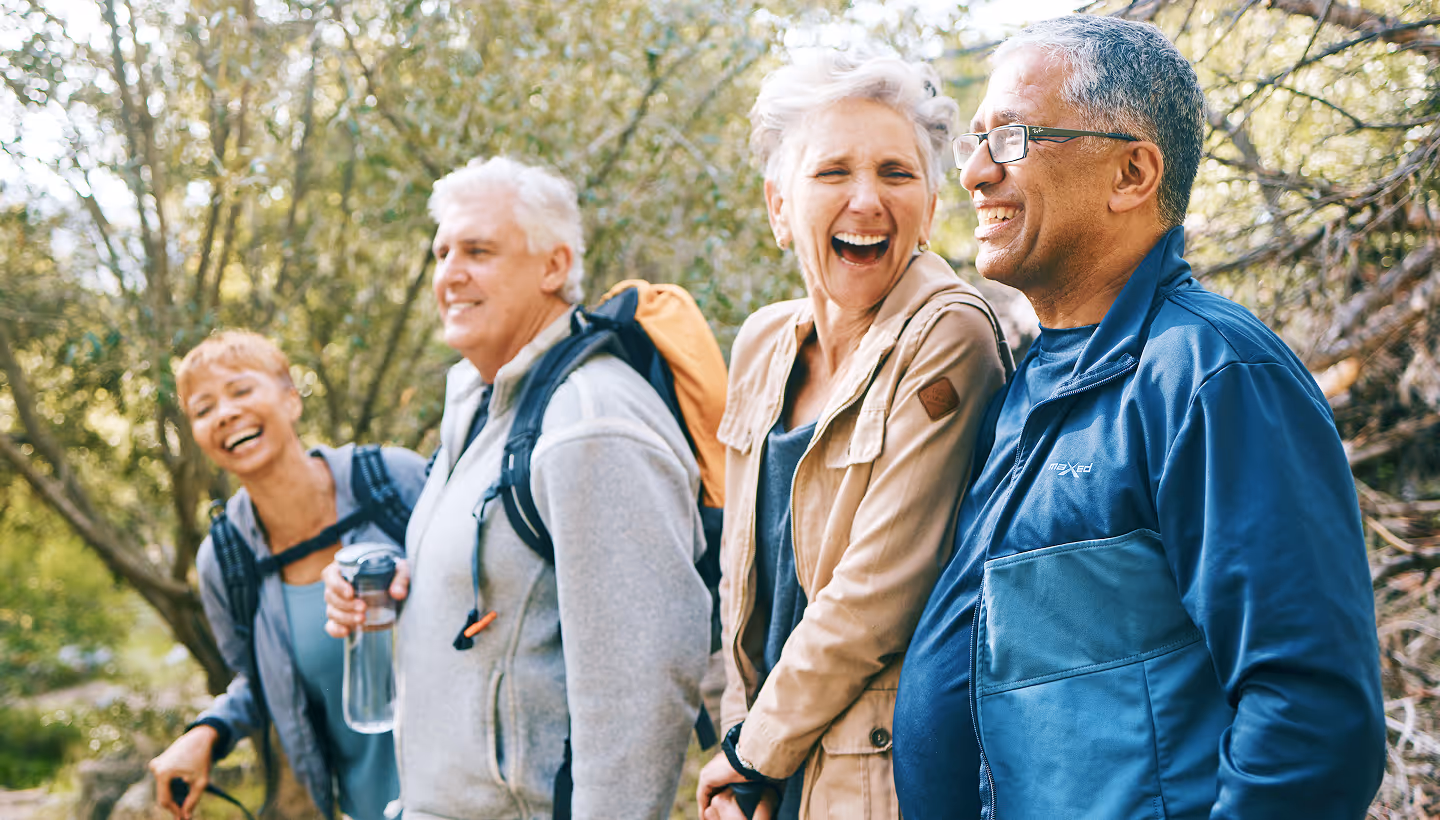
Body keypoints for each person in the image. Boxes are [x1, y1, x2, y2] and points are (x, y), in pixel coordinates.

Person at [893, 15, 1387, 819]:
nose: (976, 173)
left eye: (1012, 137)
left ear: (1132, 174)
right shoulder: (1034, 380)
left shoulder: (1212, 376)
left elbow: (1314, 719)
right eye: (975, 140)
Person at [324, 156, 712, 820]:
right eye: (442, 252)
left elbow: (642, 687)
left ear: (554, 266)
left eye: (478, 250)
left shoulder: (590, 422)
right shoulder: (484, 408)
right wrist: (403, 585)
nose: (449, 274)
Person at [694, 48, 1010, 820]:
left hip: (881, 781)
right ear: (778, 206)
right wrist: (747, 766)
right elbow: (743, 590)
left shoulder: (950, 335)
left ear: (932, 207)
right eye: (833, 172)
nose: (867, 200)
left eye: (897, 174)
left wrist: (748, 753)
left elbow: (875, 596)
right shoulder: (763, 345)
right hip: (775, 765)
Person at [147, 330, 427, 820]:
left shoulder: (392, 481)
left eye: (240, 390)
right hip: (371, 810)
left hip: (484, 791)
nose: (226, 413)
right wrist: (207, 733)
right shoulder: (226, 559)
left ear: (291, 400)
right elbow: (261, 680)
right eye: (203, 408)